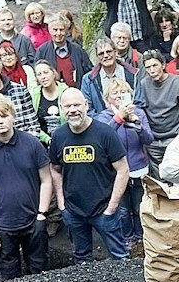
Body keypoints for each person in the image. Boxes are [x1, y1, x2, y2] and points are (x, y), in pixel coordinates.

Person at [0, 94, 52, 279]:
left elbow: (47, 180)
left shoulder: (32, 143)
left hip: (33, 221)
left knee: (40, 273)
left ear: (13, 116)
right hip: (1, 227)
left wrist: (42, 215)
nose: (0, 121)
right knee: (9, 277)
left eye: (4, 115)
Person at [51, 90, 130, 263]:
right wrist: (62, 204)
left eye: (77, 105)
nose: (72, 109)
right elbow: (55, 169)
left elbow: (123, 170)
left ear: (86, 105)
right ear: (61, 109)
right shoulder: (58, 136)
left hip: (105, 210)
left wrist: (112, 207)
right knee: (82, 260)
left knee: (120, 258)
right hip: (73, 211)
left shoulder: (105, 133)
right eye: (68, 106)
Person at [99, 80, 154, 249]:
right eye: (115, 93)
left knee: (139, 207)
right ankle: (127, 238)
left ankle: (141, 237)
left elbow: (149, 139)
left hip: (139, 168)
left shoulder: (139, 112)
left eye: (123, 92)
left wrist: (138, 124)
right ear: (108, 98)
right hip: (116, 173)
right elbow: (103, 138)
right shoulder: (103, 117)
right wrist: (119, 118)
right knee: (122, 210)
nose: (119, 96)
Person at [134, 48, 179, 149]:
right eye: (148, 67)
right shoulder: (143, 84)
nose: (152, 70)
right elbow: (140, 110)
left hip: (175, 136)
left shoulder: (177, 82)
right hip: (153, 139)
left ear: (163, 65)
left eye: (155, 65)